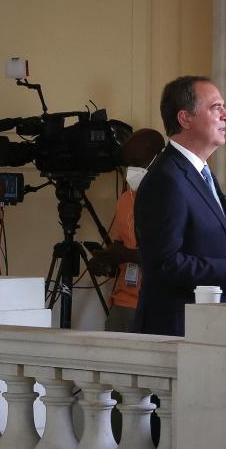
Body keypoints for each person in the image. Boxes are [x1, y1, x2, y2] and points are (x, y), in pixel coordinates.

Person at [132, 76, 226, 337]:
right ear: (185, 119)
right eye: (216, 107)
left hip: (205, 327)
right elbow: (163, 263)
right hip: (175, 330)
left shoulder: (199, 172)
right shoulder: (166, 178)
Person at [89, 129, 164, 332]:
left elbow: (165, 258)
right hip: (121, 303)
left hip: (153, 307)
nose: (131, 170)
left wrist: (122, 254)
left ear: (158, 157)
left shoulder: (169, 201)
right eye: (127, 164)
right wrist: (106, 260)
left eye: (138, 162)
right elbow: (120, 247)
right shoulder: (125, 200)